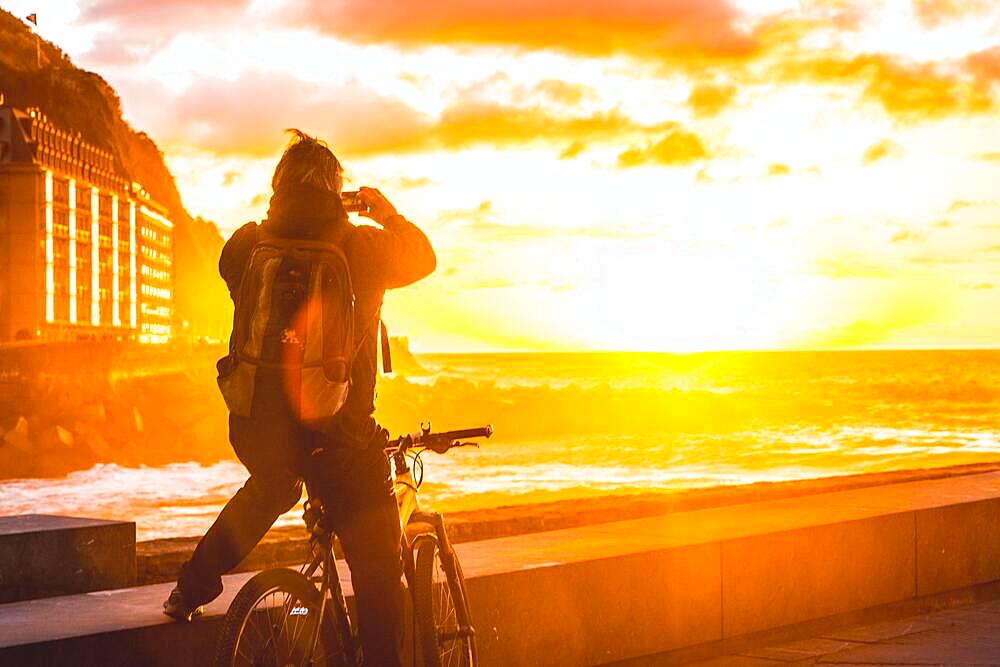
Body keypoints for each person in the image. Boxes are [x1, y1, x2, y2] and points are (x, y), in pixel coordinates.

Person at [163, 129, 436, 667]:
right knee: (379, 572)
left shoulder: (248, 244)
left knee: (270, 487)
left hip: (261, 430)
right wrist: (384, 213)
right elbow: (422, 258)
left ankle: (189, 589)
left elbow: (231, 273)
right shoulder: (360, 245)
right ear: (337, 192)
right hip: (342, 441)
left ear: (278, 187)